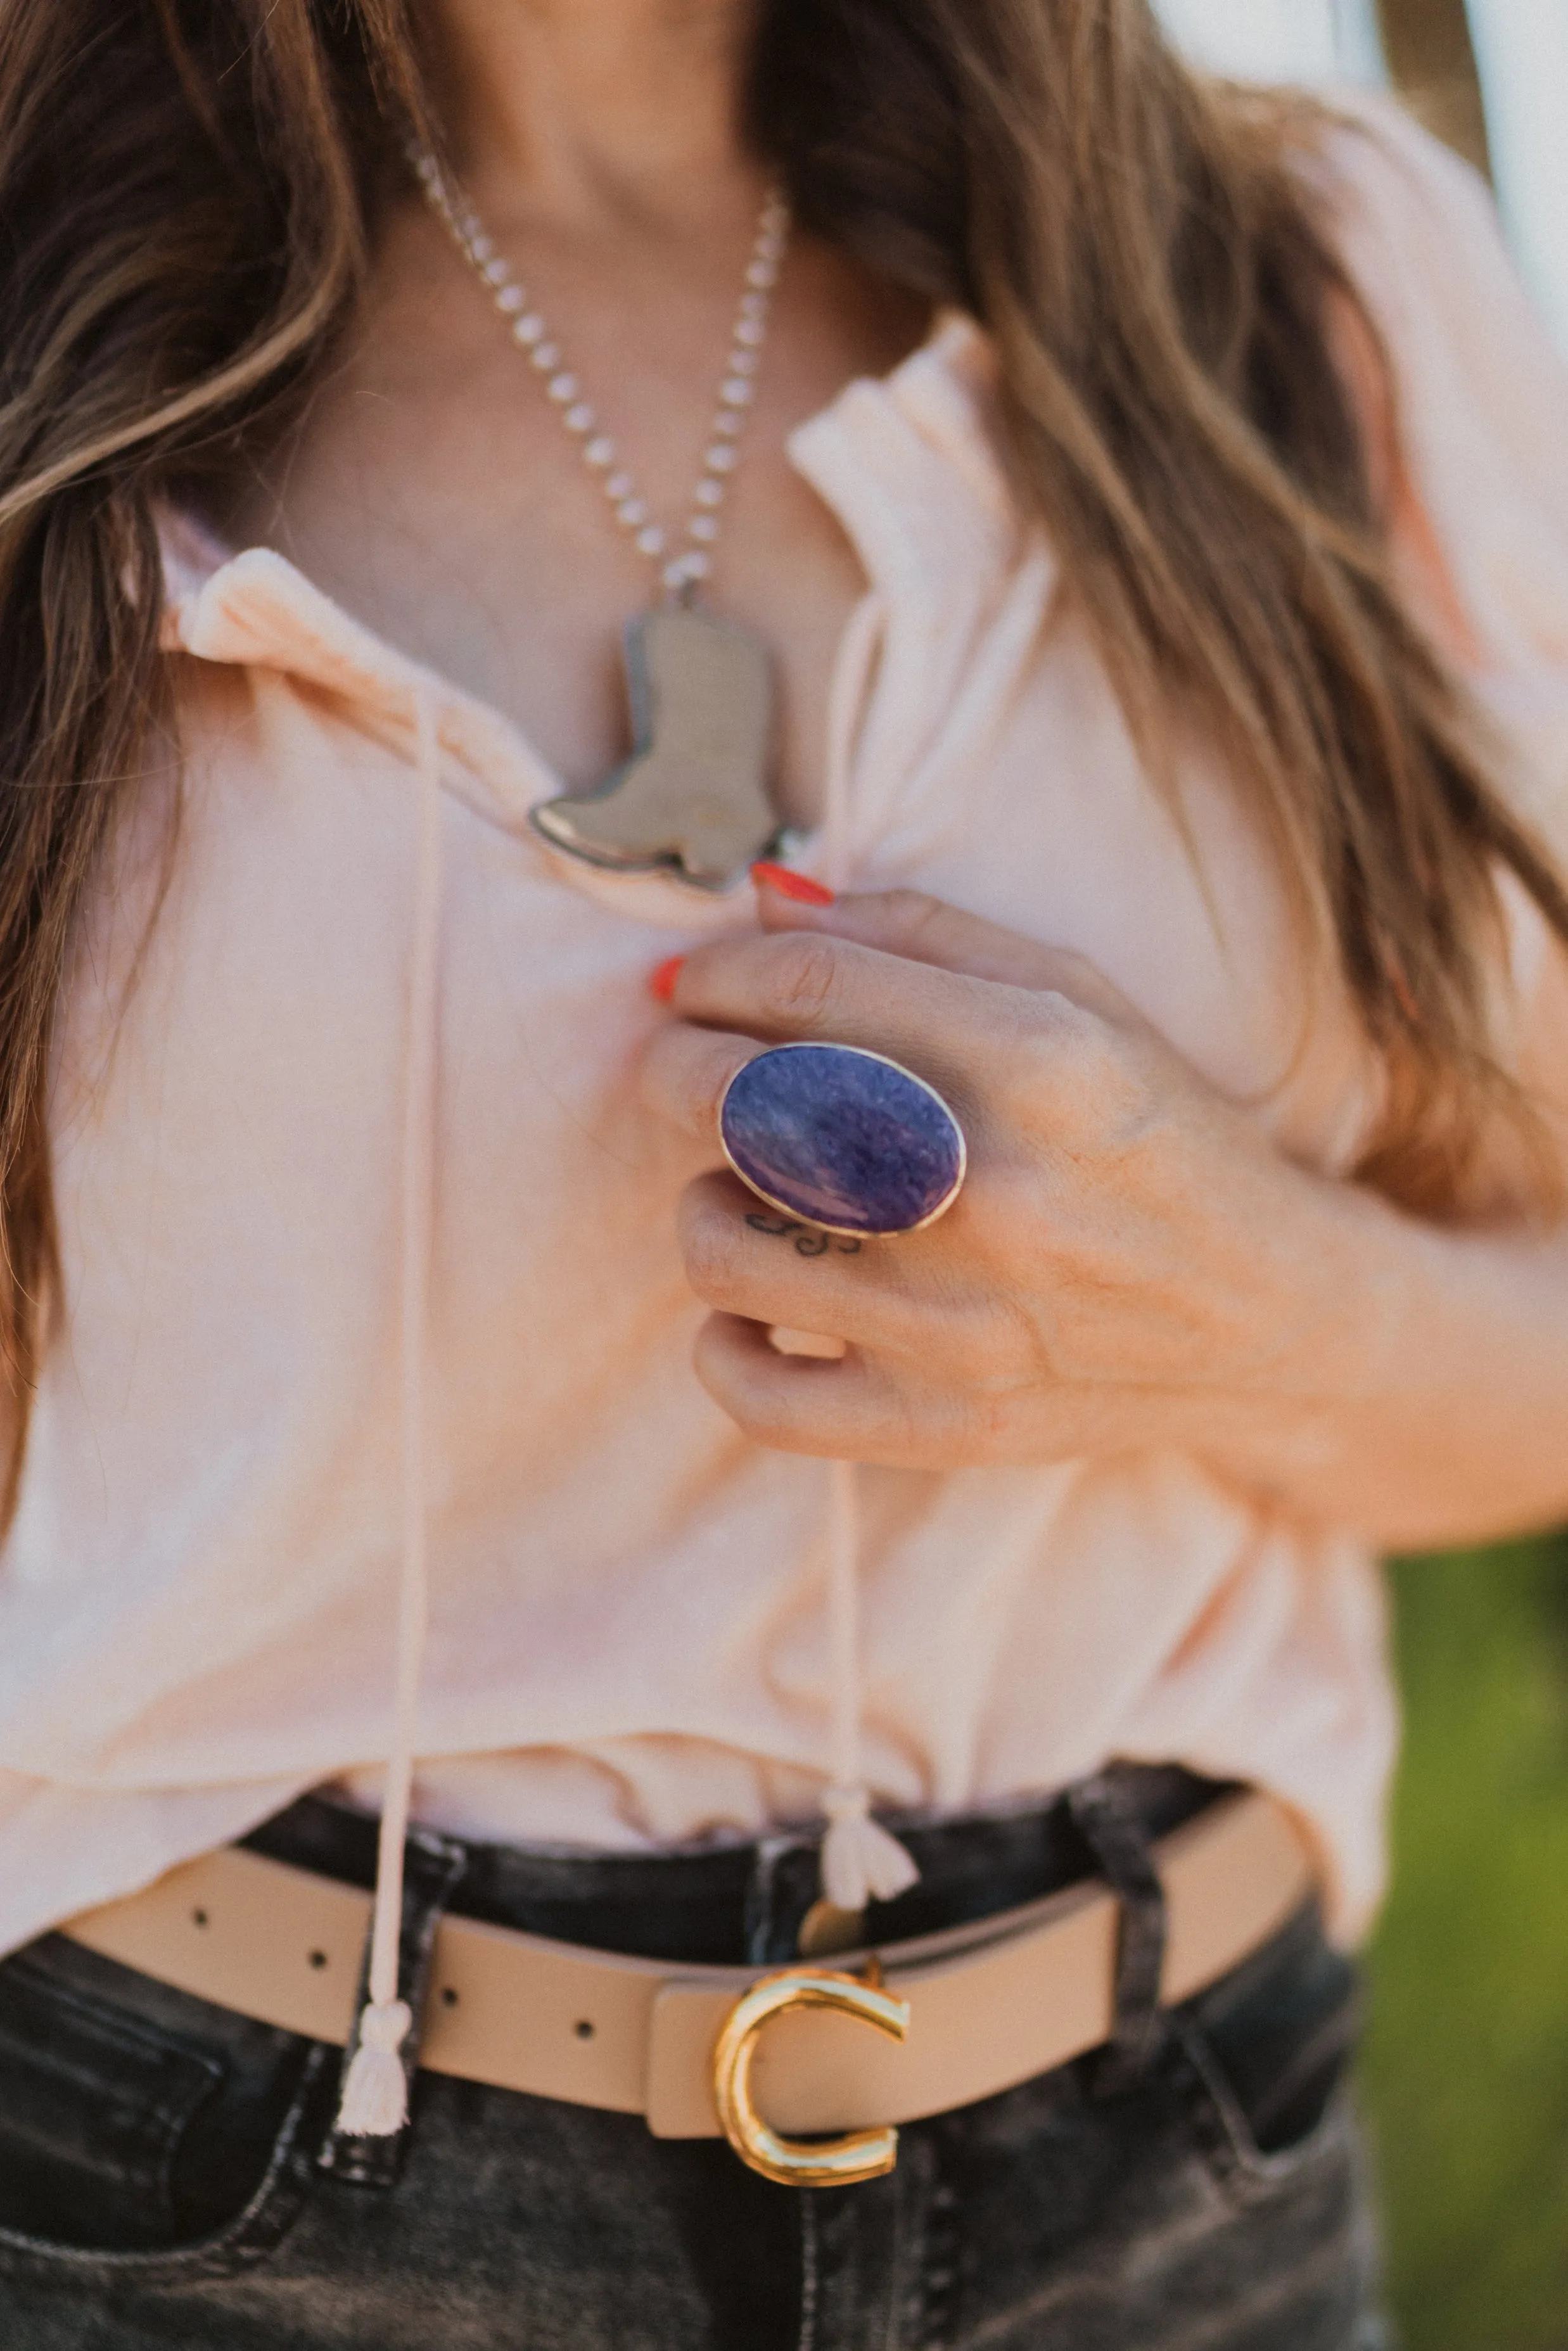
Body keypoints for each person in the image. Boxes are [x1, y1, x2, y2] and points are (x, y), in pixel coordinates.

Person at [1, 2, 1566, 2344]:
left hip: (1175, 2205)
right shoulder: (43, 331)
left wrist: (1259, 1297)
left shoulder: (1308, 290)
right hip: (215, 2213)